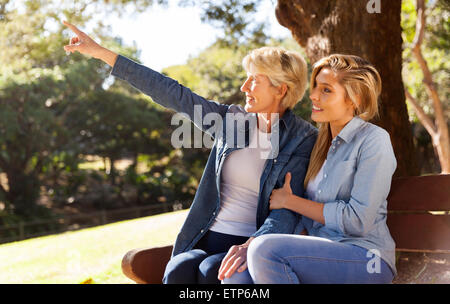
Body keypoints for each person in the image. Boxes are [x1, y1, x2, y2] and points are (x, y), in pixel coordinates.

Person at [62, 21, 317, 284]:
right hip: (206, 235)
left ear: (281, 89)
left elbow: (285, 213)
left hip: (251, 243)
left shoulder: (302, 139)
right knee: (177, 269)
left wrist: (250, 245)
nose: (244, 87)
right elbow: (173, 94)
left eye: (254, 80)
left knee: (210, 272)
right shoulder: (231, 121)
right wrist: (102, 53)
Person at [224, 54, 397, 284]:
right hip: (319, 254)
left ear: (354, 98)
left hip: (366, 257)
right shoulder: (317, 145)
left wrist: (290, 201)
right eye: (315, 86)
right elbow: (309, 219)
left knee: (264, 249)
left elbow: (358, 221)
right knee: (236, 275)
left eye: (326, 90)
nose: (313, 95)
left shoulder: (373, 140)